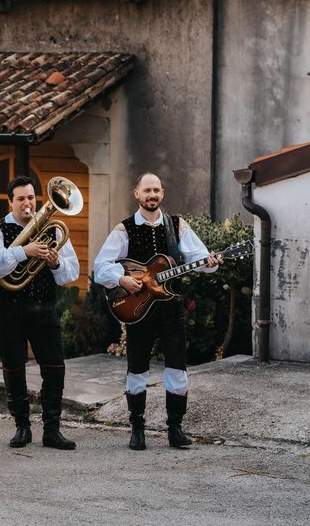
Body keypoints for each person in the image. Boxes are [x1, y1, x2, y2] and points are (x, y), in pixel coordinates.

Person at [94, 172, 221, 450]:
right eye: (147, 190)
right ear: (136, 193)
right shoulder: (124, 229)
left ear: (162, 193)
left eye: (156, 191)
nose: (152, 195)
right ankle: (136, 429)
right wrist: (121, 279)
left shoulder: (176, 225)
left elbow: (199, 258)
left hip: (171, 310)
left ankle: (175, 429)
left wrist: (210, 261)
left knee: (177, 369)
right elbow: (101, 266)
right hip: (138, 310)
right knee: (137, 370)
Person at [0, 175, 80, 450]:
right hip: (8, 310)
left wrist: (55, 261)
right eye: (21, 199)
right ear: (10, 202)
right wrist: (24, 251)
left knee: (55, 369)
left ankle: (52, 430)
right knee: (14, 368)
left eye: (31, 198)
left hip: (44, 310)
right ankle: (22, 427)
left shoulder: (54, 229)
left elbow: (70, 274)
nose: (27, 204)